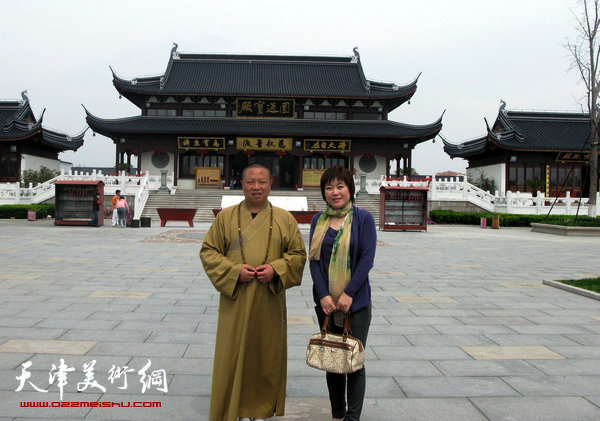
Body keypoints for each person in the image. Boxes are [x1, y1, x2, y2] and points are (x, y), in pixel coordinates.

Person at [200, 163, 306, 421]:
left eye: (261, 181)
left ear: (271, 184)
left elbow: (298, 255)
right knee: (233, 353)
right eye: (250, 181)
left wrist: (276, 268)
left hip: (269, 301)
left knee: (265, 355)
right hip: (235, 301)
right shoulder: (225, 218)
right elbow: (209, 252)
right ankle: (232, 408)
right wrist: (234, 271)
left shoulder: (284, 219)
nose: (256, 186)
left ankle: (260, 409)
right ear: (242, 184)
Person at [309, 166, 377, 421]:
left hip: (356, 304)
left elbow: (366, 259)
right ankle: (337, 413)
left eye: (340, 186)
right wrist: (324, 295)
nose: (335, 192)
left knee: (354, 361)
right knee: (333, 360)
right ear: (323, 192)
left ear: (350, 189)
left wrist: (348, 293)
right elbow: (314, 261)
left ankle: (353, 417)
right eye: (329, 187)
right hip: (326, 303)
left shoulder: (363, 219)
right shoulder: (319, 220)